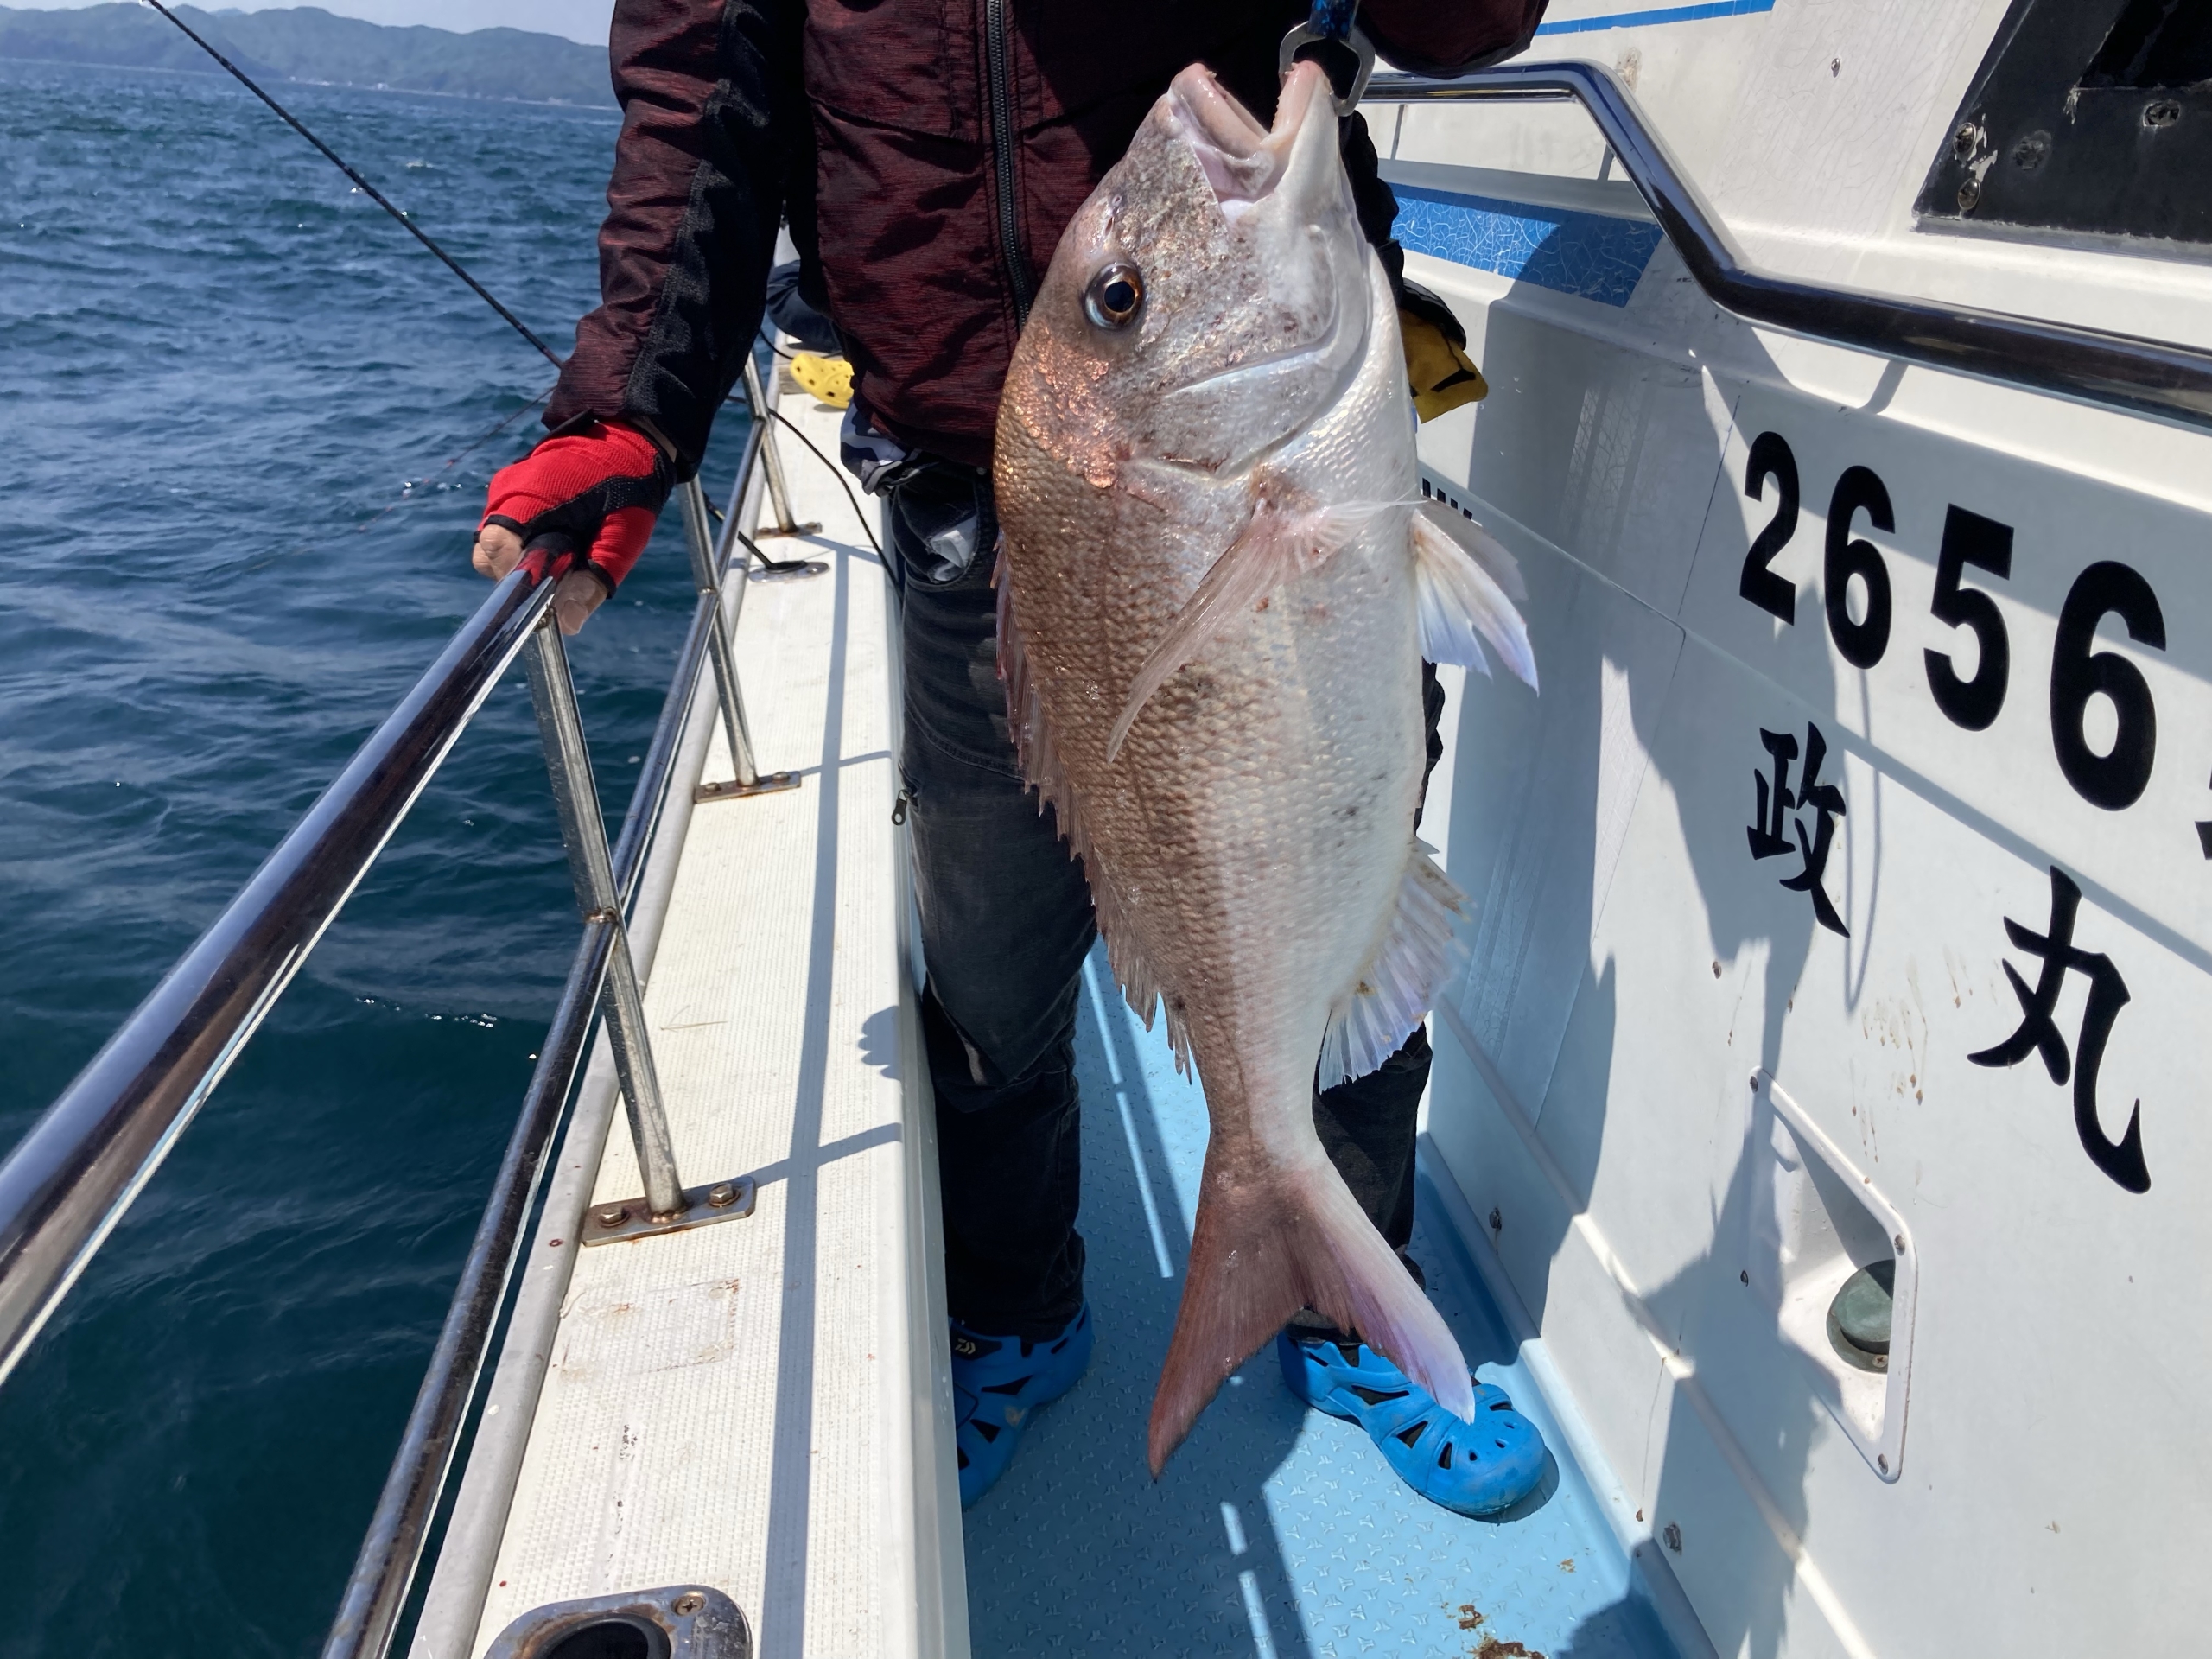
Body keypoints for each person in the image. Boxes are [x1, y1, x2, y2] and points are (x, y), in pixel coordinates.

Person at [473, 0, 1550, 1516]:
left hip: (1257, 446)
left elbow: (1469, 22)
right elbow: (706, 104)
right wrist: (631, 411)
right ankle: (1020, 1311)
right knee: (987, 979)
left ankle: (1349, 1297)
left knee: (1330, 887)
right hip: (974, 489)